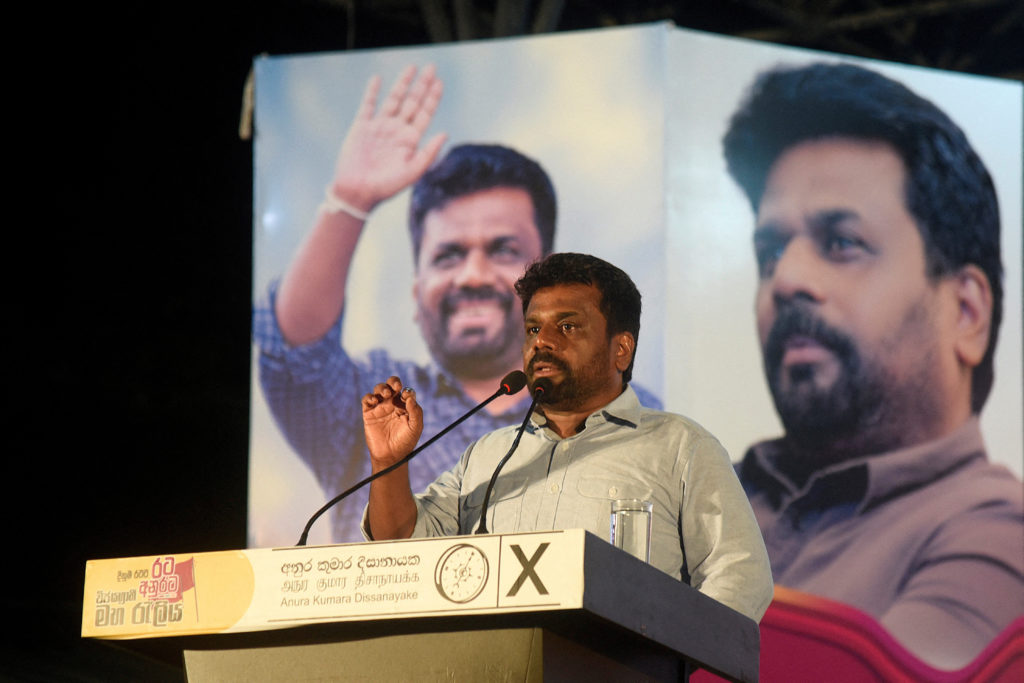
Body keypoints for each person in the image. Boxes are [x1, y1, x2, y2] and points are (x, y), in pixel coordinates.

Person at [253, 66, 660, 543]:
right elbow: (291, 353)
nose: (472, 275)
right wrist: (349, 201)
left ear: (542, 278)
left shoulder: (633, 419)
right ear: (415, 287)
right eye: (449, 255)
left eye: (504, 250)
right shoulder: (374, 400)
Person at [722, 62, 1023, 669]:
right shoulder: (700, 494)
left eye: (842, 243)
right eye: (770, 251)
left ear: (966, 311)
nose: (786, 280)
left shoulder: (997, 537)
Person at [360, 252, 773, 623]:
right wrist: (388, 463)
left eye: (568, 326)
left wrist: (662, 656)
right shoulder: (488, 455)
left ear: (621, 350)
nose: (542, 342)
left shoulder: (680, 447)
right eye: (533, 328)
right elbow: (401, 548)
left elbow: (740, 577)